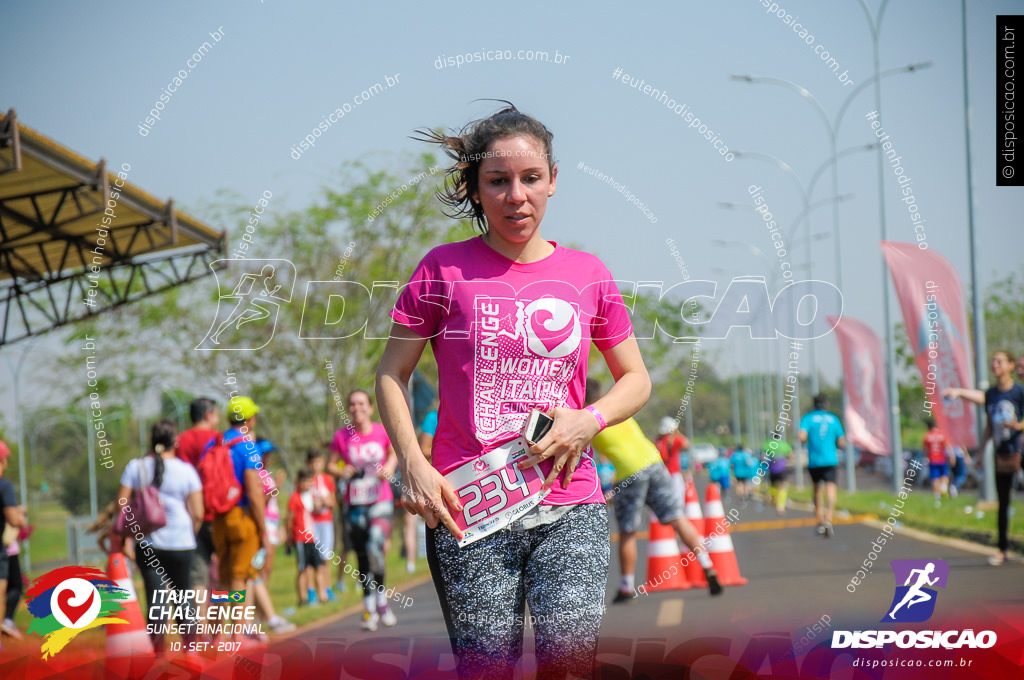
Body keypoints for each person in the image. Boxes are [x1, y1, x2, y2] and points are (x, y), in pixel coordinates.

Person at [376, 103, 651, 679]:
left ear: (553, 180)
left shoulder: (588, 273)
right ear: (475, 190)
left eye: (530, 179)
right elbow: (390, 374)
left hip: (569, 504)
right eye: (497, 182)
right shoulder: (442, 270)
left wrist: (588, 420)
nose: (516, 196)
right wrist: (413, 462)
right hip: (468, 508)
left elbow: (636, 379)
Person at [586, 380, 721, 603]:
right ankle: (708, 566)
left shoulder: (587, 418)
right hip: (654, 462)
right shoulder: (618, 405)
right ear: (601, 392)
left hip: (629, 474)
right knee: (677, 517)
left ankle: (627, 587)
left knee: (628, 530)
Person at [111, 419, 202, 655]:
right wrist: (191, 533)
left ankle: (158, 656)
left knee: (156, 601)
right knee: (184, 596)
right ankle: (191, 651)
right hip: (182, 542)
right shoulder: (186, 470)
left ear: (151, 441)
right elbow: (198, 512)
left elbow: (120, 503)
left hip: (149, 543)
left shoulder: (136, 467)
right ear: (176, 442)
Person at [945, 349, 1024, 566]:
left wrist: (1018, 425)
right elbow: (990, 426)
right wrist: (981, 451)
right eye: (993, 361)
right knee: (1004, 502)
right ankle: (1002, 549)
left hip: (1021, 452)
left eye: (999, 361)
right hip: (1002, 454)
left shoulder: (1019, 392)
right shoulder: (992, 394)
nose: (994, 364)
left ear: (1010, 365)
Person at [330, 389, 398, 631]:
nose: (356, 408)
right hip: (355, 502)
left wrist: (388, 467)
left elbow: (393, 453)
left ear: (370, 407)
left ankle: (382, 603)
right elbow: (331, 463)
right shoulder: (342, 436)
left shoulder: (381, 431)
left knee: (375, 546)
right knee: (361, 554)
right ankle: (368, 607)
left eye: (361, 403)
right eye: (352, 404)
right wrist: (341, 471)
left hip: (380, 499)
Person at [211, 396, 272, 637]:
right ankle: (237, 635)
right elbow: (255, 491)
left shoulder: (215, 443)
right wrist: (263, 528)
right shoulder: (248, 446)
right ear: (249, 419)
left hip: (218, 518)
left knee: (223, 578)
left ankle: (215, 635)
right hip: (241, 516)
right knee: (239, 577)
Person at [175, 398, 220, 613]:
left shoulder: (180, 441)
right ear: (208, 415)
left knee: (198, 575)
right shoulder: (218, 439)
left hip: (190, 515)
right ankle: (220, 632)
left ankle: (200, 627)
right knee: (221, 574)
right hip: (218, 513)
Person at [798, 394, 847, 538]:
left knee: (817, 490)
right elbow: (842, 442)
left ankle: (819, 520)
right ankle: (828, 519)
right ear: (826, 404)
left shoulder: (807, 418)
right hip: (831, 460)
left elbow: (801, 436)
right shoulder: (833, 419)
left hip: (814, 460)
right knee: (831, 490)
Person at [0, 440, 26, 649]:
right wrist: (20, 515)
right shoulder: (4, 486)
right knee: (3, 589)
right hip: (2, 548)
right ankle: (5, 624)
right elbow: (13, 520)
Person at [288, 467, 322, 609]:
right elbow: (289, 518)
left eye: (310, 482)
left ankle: (318, 595)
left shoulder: (311, 497)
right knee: (302, 568)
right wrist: (289, 537)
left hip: (312, 538)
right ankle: (302, 598)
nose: (308, 484)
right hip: (300, 538)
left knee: (316, 566)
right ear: (299, 482)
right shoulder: (295, 498)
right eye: (305, 482)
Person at [307, 448, 337, 602]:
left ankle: (328, 588)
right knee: (312, 559)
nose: (315, 466)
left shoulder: (327, 479)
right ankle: (311, 591)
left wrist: (325, 501)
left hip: (325, 521)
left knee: (326, 557)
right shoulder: (306, 480)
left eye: (318, 462)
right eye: (312, 463)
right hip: (312, 523)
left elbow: (333, 502)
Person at [655, 417, 690, 500]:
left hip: (661, 473)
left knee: (662, 499)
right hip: (673, 473)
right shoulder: (673, 439)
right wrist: (678, 433)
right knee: (678, 499)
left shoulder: (658, 441)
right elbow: (686, 444)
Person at [923, 418, 954, 503]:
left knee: (935, 477)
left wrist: (926, 456)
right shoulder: (942, 434)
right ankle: (944, 488)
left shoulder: (927, 436)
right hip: (942, 459)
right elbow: (948, 446)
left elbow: (925, 449)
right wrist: (952, 457)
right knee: (944, 475)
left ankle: (937, 494)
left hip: (933, 459)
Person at [762, 439, 792, 515]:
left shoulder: (768, 444)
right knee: (783, 487)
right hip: (782, 468)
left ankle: (773, 499)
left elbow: (763, 457)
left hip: (772, 469)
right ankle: (781, 507)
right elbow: (790, 456)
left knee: (773, 486)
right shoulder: (785, 445)